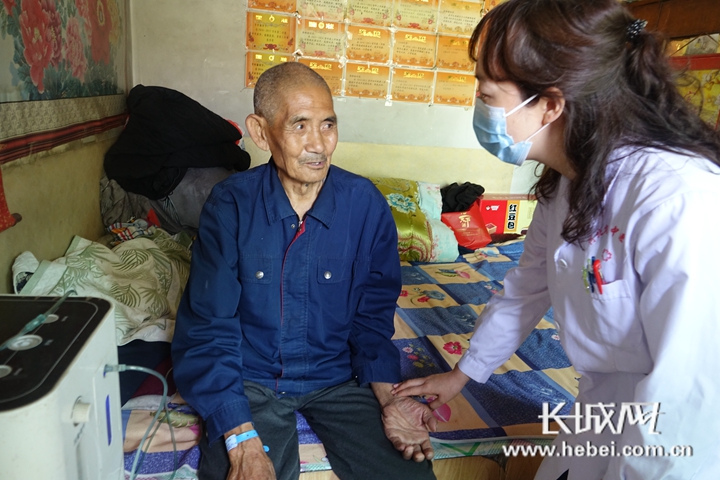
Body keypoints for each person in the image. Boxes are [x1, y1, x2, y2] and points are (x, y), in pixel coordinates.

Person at [392, 1, 720, 479]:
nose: (479, 107)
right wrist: (462, 375)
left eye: (487, 94)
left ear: (549, 103)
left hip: (670, 440)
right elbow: (527, 287)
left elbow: (688, 402)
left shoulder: (678, 198)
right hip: (601, 412)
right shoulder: (568, 181)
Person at [171, 62, 437, 480]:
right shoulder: (231, 205)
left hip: (338, 379)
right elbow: (208, 327)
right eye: (299, 126)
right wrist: (241, 438)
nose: (319, 145)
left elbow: (371, 321)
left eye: (328, 125)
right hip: (252, 380)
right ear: (261, 133)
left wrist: (389, 398)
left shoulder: (364, 205)